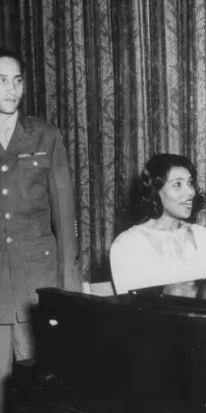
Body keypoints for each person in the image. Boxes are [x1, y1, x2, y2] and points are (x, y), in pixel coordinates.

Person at [0, 48, 80, 408]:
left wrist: (67, 287)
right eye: (1, 81)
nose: (11, 90)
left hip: (37, 280)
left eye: (17, 80)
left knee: (44, 388)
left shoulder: (45, 136)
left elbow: (64, 217)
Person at [110, 153, 206, 294]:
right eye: (177, 184)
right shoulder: (127, 245)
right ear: (155, 191)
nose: (190, 192)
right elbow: (131, 309)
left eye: (190, 183)